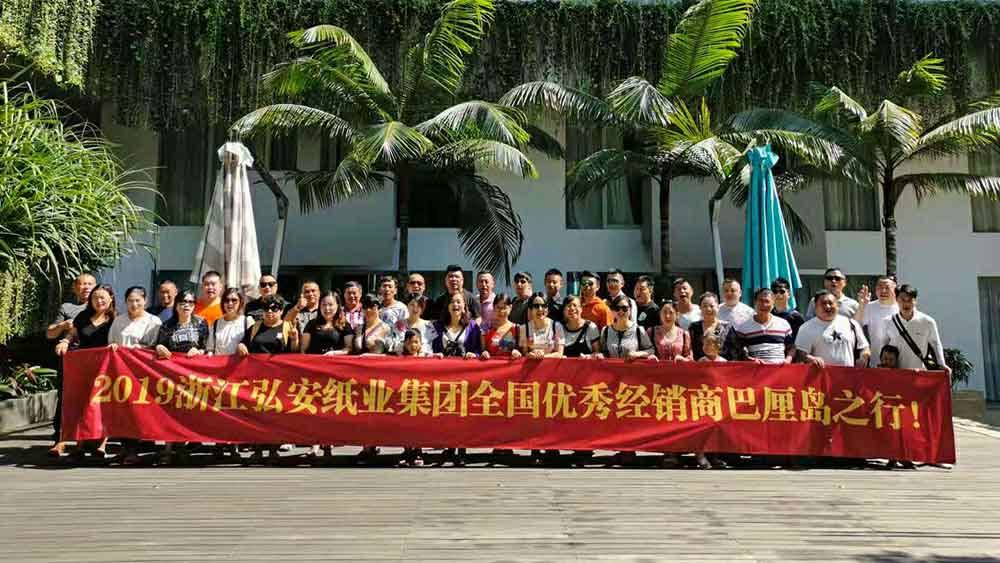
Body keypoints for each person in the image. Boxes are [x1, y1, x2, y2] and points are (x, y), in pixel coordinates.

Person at [55, 284, 116, 459]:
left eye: (102, 297)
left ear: (111, 298)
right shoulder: (83, 316)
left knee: (103, 404)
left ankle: (102, 445)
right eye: (95, 297)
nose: (99, 301)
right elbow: (72, 334)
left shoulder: (115, 319)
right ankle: (80, 444)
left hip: (105, 367)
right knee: (83, 403)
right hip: (84, 365)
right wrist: (65, 342)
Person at [238, 295, 298, 463]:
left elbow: (295, 353)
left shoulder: (287, 327)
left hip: (279, 380)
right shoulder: (255, 327)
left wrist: (294, 339)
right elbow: (244, 343)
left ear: (281, 310)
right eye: (266, 309)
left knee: (275, 415)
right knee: (257, 415)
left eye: (275, 308)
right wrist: (241, 345)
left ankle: (273, 449)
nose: (270, 312)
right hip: (256, 379)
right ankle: (257, 448)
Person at [880, 285, 950, 377]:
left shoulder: (927, 322)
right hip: (895, 374)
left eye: (909, 300)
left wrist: (942, 364)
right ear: (896, 300)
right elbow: (883, 346)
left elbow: (935, 344)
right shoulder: (888, 321)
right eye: (902, 299)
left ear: (915, 301)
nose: (906, 303)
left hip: (919, 373)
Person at [795, 290, 871, 368]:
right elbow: (799, 355)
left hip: (848, 373)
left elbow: (864, 347)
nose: (828, 306)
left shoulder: (851, 324)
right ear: (815, 306)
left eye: (830, 303)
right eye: (823, 303)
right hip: (821, 374)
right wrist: (811, 359)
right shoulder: (806, 328)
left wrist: (863, 357)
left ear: (837, 305)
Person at [733, 288, 794, 364]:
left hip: (779, 369)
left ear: (773, 303)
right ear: (755, 302)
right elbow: (738, 350)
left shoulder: (783, 324)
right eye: (761, 301)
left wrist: (788, 359)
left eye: (767, 301)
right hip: (755, 370)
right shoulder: (743, 327)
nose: (764, 305)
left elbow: (791, 347)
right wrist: (748, 359)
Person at [855, 275, 899, 367]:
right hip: (876, 363)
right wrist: (862, 305)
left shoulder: (902, 308)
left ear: (895, 288)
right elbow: (856, 325)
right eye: (880, 287)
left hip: (900, 364)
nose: (883, 291)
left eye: (887, 287)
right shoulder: (870, 307)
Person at [156, 289, 209, 359]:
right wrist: (159, 347)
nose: (187, 305)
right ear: (176, 305)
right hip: (173, 363)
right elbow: (160, 345)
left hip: (194, 362)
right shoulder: (166, 325)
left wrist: (198, 352)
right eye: (183, 302)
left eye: (191, 302)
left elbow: (206, 348)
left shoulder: (201, 323)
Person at [600, 294, 655, 361]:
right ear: (613, 310)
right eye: (617, 308)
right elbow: (603, 352)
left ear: (630, 310)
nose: (621, 311)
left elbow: (651, 350)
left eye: (624, 308)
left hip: (631, 367)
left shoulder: (638, 330)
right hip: (611, 367)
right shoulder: (605, 330)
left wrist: (637, 354)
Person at [47, 272, 96, 341]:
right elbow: (49, 334)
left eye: (90, 284)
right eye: (83, 284)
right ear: (74, 288)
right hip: (72, 346)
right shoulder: (66, 307)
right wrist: (62, 326)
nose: (87, 287)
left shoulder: (101, 305)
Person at [432, 292, 482, 359]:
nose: (455, 304)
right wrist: (434, 355)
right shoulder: (437, 326)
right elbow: (429, 349)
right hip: (442, 365)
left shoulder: (473, 326)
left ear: (464, 306)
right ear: (448, 306)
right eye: (452, 302)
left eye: (458, 302)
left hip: (466, 364)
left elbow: (479, 349)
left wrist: (474, 355)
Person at [301, 291, 352, 355]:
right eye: (324, 305)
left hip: (335, 359)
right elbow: (303, 349)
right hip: (314, 359)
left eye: (330, 305)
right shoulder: (311, 324)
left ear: (337, 305)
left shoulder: (344, 325)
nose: (327, 308)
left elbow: (349, 348)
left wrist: (334, 353)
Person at [688, 292, 736, 361]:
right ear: (700, 308)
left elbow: (734, 353)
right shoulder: (694, 327)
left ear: (718, 307)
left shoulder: (725, 327)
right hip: (700, 366)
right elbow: (689, 351)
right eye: (705, 306)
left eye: (711, 306)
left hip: (723, 366)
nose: (708, 309)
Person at [206, 288, 253, 356]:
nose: (230, 303)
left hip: (240, 362)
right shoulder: (216, 323)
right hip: (219, 362)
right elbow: (210, 349)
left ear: (240, 302)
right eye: (226, 300)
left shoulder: (248, 322)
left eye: (234, 300)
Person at [518, 293, 565, 359]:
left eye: (544, 306)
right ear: (531, 309)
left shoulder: (557, 326)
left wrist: (543, 356)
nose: (540, 309)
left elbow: (559, 353)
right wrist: (529, 355)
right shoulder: (524, 328)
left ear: (547, 309)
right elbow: (524, 353)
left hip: (551, 364)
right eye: (536, 306)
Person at [480, 293, 521, 360]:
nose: (501, 311)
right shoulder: (486, 329)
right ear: (494, 307)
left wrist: (517, 352)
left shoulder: (517, 328)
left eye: (504, 308)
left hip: (511, 365)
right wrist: (484, 353)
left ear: (510, 307)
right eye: (498, 307)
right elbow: (482, 350)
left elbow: (523, 351)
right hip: (492, 365)